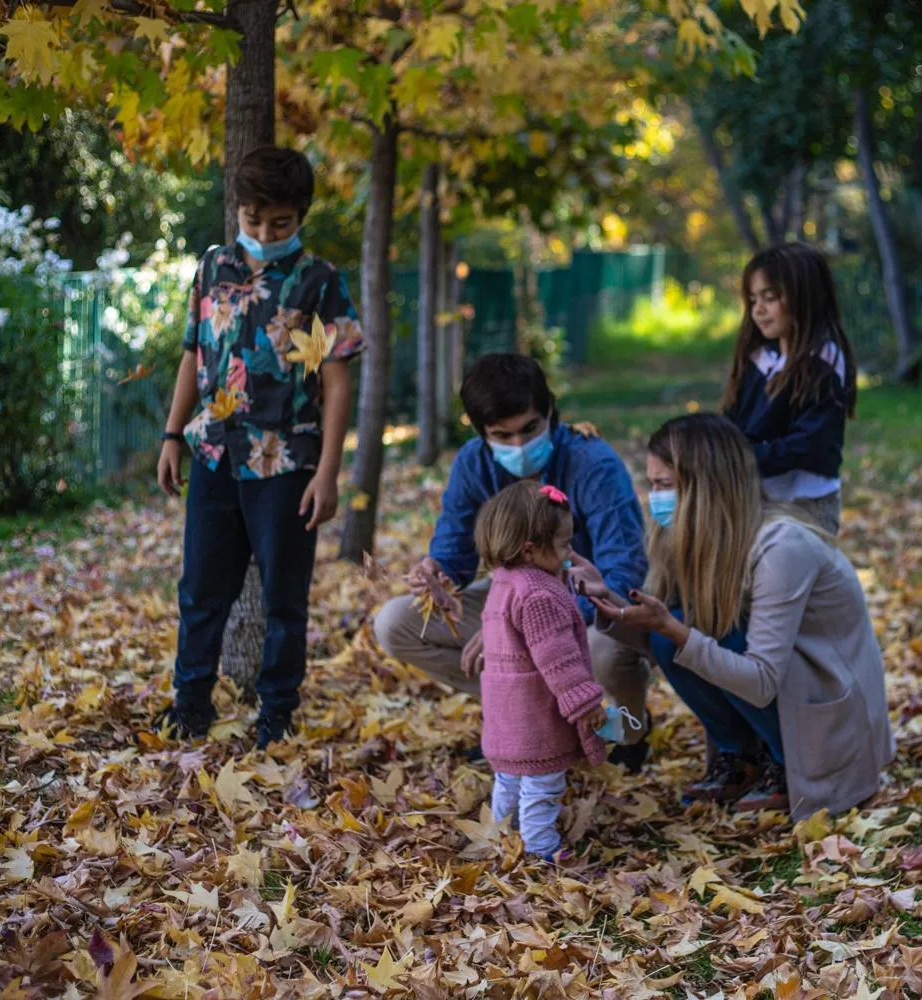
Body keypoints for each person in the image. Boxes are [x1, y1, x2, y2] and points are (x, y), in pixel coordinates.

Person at [581, 413, 894, 819]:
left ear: (704, 487)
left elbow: (761, 680)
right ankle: (741, 757)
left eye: (664, 485)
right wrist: (609, 601)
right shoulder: (699, 537)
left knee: (682, 633)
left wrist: (671, 628)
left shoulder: (782, 546)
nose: (653, 497)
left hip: (826, 705)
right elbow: (665, 636)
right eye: (652, 484)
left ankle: (782, 761)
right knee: (670, 636)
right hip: (785, 685)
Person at [155, 146, 363, 749]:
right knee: (200, 588)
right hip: (215, 452)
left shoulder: (320, 282)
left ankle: (276, 714)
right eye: (253, 220)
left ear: (300, 216)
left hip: (287, 462)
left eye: (280, 223)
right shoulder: (212, 266)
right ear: (238, 210)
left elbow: (337, 378)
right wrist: (173, 434)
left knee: (284, 596)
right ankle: (189, 705)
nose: (265, 233)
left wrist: (328, 472)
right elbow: (193, 352)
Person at [371, 353, 654, 771]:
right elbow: (455, 552)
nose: (519, 447)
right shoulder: (473, 462)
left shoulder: (595, 464)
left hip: (590, 607)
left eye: (530, 429)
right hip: (512, 597)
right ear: (481, 432)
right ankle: (523, 719)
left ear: (549, 413)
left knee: (605, 654)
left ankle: (631, 731)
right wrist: (438, 574)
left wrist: (516, 627)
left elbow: (623, 573)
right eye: (503, 436)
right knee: (395, 623)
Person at [475, 481, 608, 860]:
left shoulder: (505, 581)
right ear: (531, 549)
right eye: (564, 545)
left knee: (510, 781)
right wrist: (585, 703)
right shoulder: (539, 594)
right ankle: (540, 850)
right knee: (542, 786)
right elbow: (558, 658)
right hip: (536, 719)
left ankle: (499, 837)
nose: (570, 553)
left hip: (505, 718)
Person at [722, 243, 857, 536]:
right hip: (754, 500)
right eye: (753, 298)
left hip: (804, 507)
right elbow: (736, 421)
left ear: (803, 298)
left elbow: (806, 445)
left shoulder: (824, 361)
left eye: (770, 298)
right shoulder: (758, 356)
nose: (758, 310)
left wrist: (740, 458)